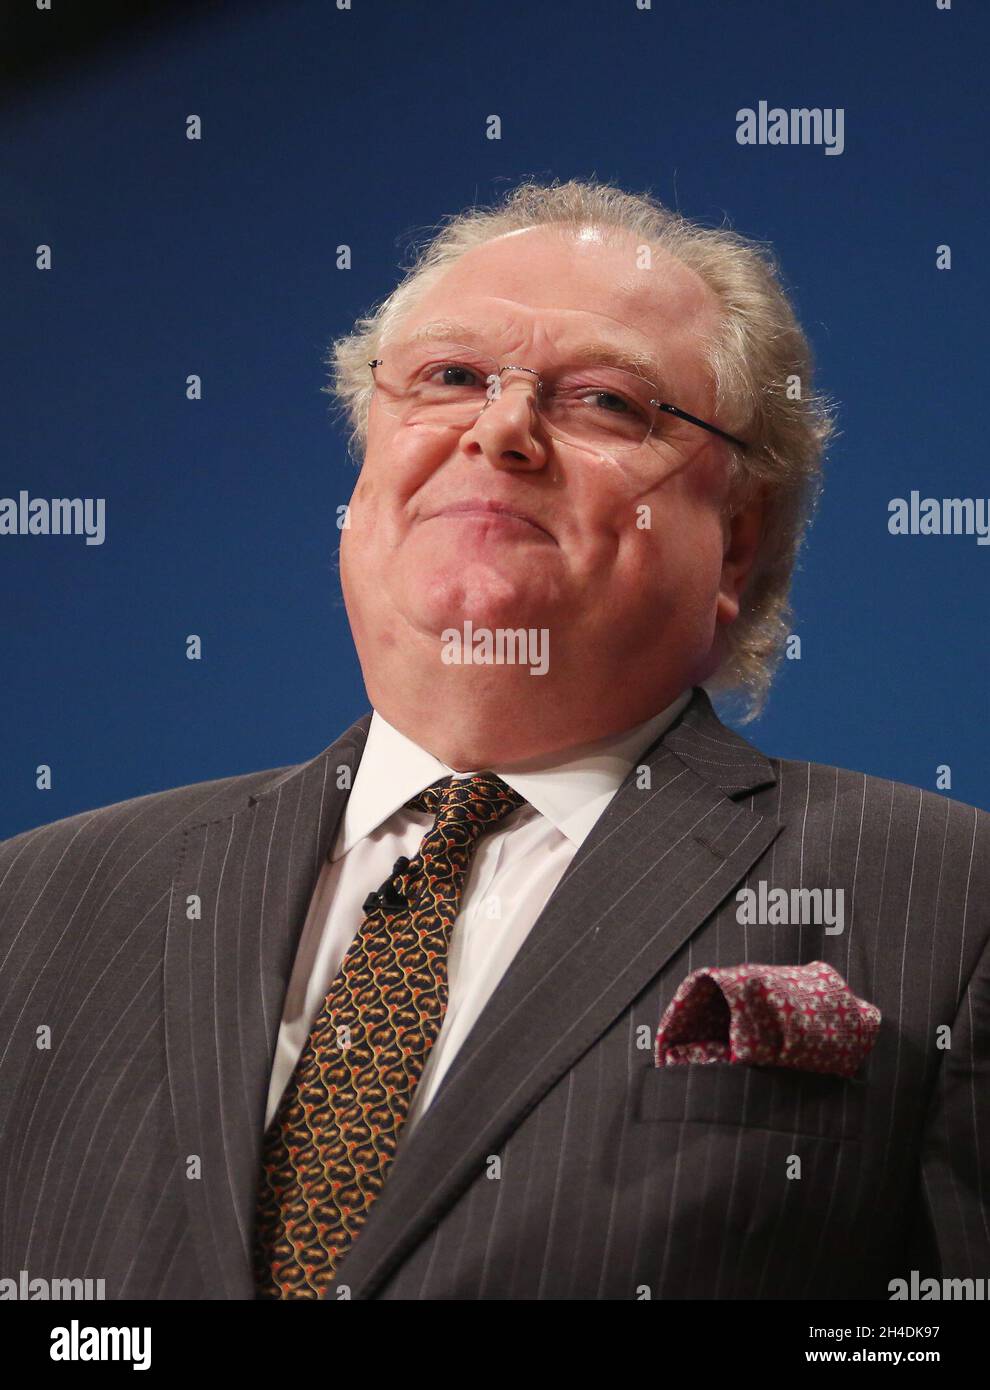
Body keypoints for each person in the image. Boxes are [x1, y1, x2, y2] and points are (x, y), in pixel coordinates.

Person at [0, 179, 986, 1302]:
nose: (500, 427)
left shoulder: (953, 908)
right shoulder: (33, 908)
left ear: (735, 546)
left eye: (608, 401)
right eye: (452, 377)